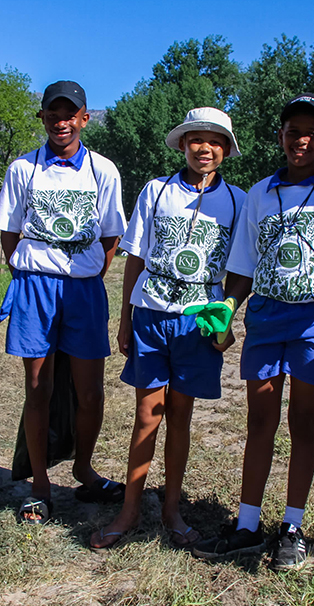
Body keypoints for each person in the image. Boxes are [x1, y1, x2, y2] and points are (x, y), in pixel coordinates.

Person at [190, 94, 314, 571]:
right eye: (292, 131)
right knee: (260, 421)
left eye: (312, 132)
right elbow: (244, 265)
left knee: (304, 421)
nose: (301, 140)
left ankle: (292, 527)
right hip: (266, 317)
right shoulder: (259, 194)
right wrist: (228, 306)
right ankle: (247, 525)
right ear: (280, 137)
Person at [89, 108, 247, 549]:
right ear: (182, 144)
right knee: (146, 417)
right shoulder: (157, 192)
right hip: (152, 316)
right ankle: (130, 510)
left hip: (199, 322)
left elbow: (240, 269)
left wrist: (227, 310)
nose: (205, 148)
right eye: (196, 139)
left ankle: (173, 511)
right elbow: (135, 257)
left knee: (181, 417)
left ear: (226, 150)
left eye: (216, 141)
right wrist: (125, 318)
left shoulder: (236, 201)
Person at [0, 81, 127, 524]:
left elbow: (111, 236)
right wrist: (32, 271)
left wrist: (86, 272)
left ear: (84, 118)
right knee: (39, 388)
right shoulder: (23, 168)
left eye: (70, 114)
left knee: (90, 391)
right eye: (53, 114)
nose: (61, 122)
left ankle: (84, 469)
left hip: (83, 290)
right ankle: (40, 485)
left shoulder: (103, 170)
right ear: (43, 117)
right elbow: (9, 233)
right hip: (35, 287)